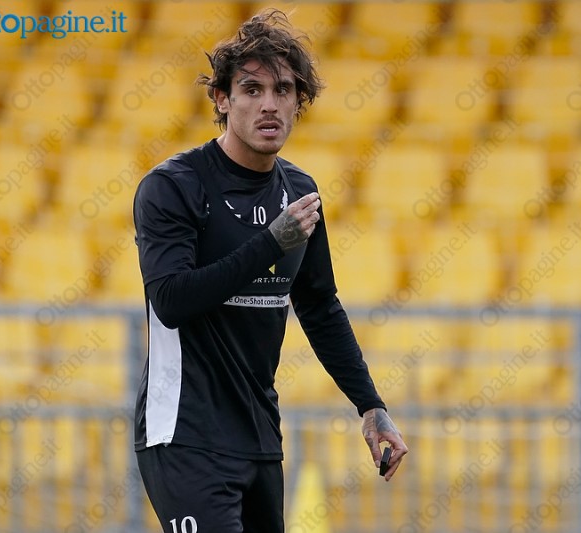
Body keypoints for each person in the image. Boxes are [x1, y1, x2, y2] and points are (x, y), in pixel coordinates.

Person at [132, 9, 408, 533]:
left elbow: (320, 305)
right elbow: (170, 299)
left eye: (283, 90)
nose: (269, 104)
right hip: (185, 433)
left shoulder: (299, 191)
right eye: (251, 89)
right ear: (222, 99)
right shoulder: (174, 186)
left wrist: (370, 406)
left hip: (259, 435)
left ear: (299, 102)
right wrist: (271, 243)